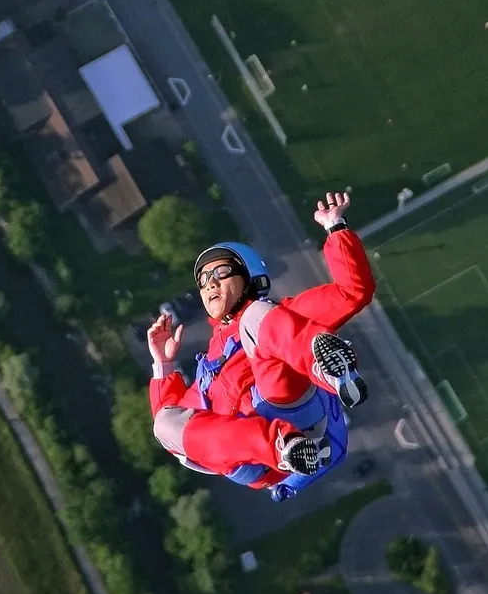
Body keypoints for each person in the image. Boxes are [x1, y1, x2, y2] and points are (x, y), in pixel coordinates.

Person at [148, 190, 376, 496]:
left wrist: (335, 227)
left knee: (255, 317)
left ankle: (329, 371)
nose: (209, 284)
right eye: (203, 280)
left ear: (250, 277)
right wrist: (163, 365)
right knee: (163, 425)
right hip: (256, 454)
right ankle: (284, 447)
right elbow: (174, 426)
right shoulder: (208, 371)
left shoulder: (278, 315)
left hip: (292, 408)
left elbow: (353, 292)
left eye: (221, 272)